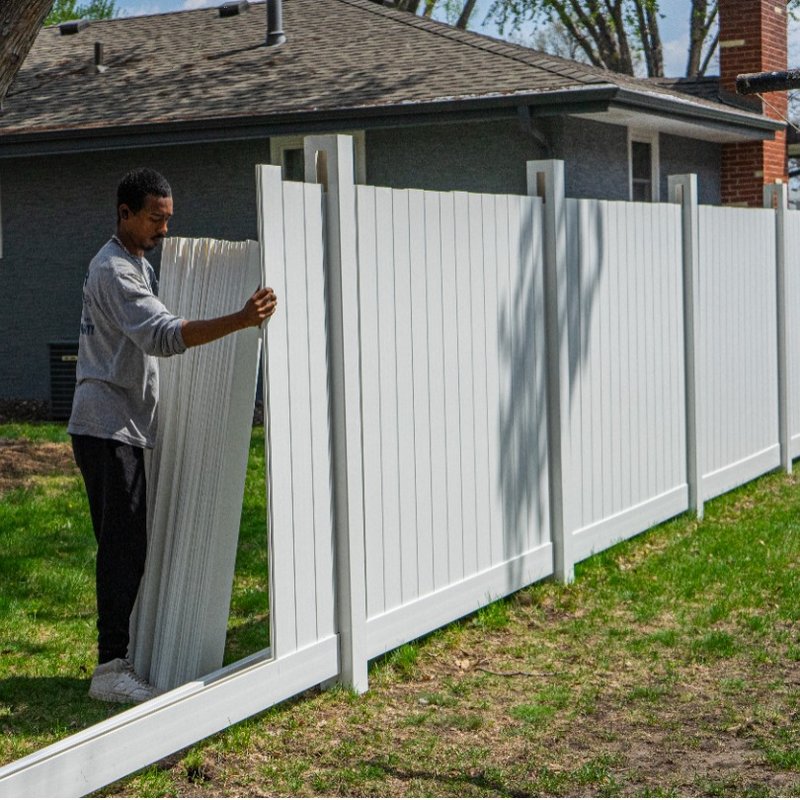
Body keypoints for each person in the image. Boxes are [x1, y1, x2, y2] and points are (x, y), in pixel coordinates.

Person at [68, 168, 277, 704]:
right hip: (107, 424)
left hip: (121, 423)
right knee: (122, 547)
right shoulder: (115, 270)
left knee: (127, 545)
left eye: (169, 219)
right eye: (156, 218)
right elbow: (162, 336)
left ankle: (120, 656)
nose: (165, 229)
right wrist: (240, 319)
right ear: (125, 214)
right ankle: (110, 668)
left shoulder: (135, 264)